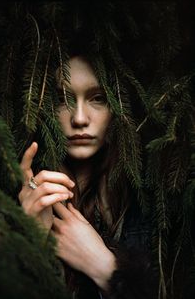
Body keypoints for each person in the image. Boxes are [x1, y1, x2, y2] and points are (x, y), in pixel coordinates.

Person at [18, 55, 156, 299]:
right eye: (62, 100)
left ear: (118, 106)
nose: (79, 119)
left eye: (97, 98)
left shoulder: (152, 205)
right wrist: (31, 242)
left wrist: (103, 267)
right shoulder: (8, 197)